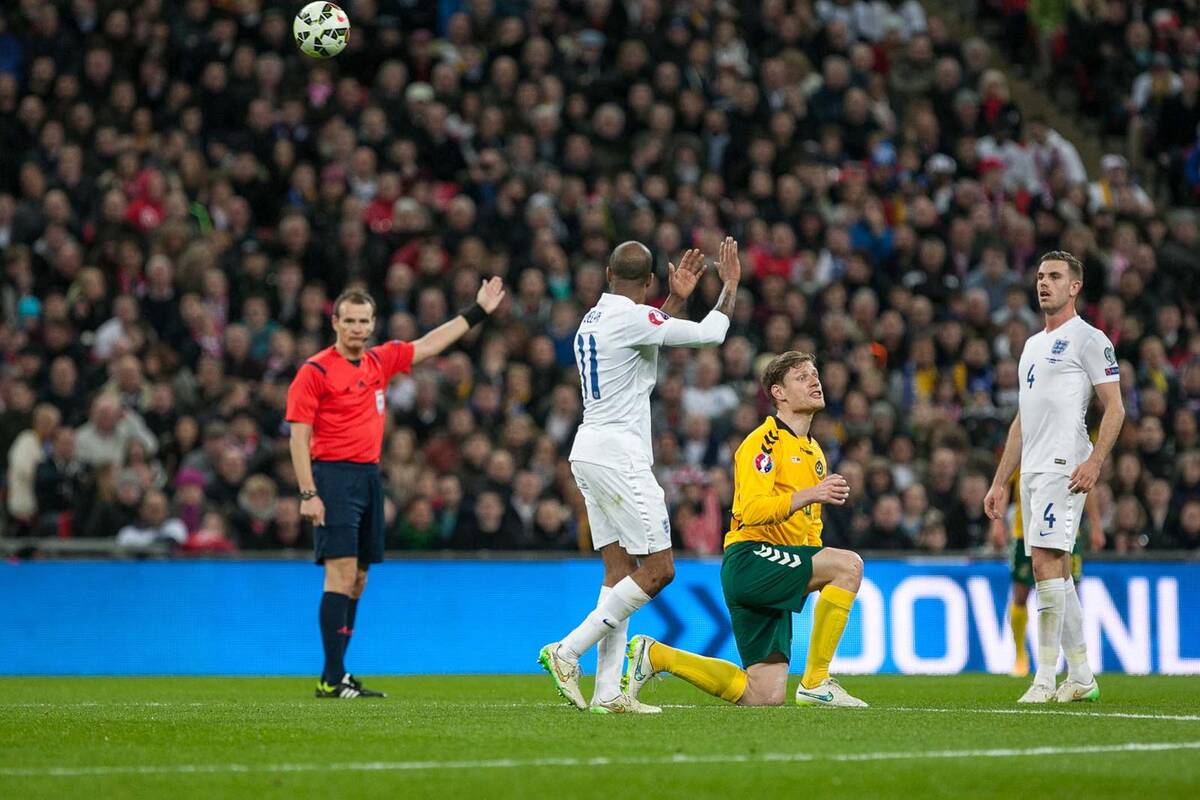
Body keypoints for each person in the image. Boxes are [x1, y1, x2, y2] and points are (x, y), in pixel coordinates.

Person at [538, 237, 740, 714]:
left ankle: (609, 692)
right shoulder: (632, 319)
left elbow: (644, 335)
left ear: (609, 275)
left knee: (618, 573)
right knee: (658, 569)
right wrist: (729, 285)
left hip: (589, 451)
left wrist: (675, 301)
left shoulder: (593, 319)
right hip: (620, 456)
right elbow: (711, 334)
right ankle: (567, 650)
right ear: (648, 280)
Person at [287, 280, 505, 699]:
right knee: (340, 574)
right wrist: (308, 493)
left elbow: (430, 343)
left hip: (370, 476)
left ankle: (337, 674)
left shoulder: (379, 361)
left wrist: (477, 310)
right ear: (335, 323)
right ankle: (331, 678)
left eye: (363, 321)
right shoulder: (314, 371)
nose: (356, 328)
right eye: (349, 321)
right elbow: (298, 437)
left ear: (372, 324)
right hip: (332, 477)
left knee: (358, 579)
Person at [623, 351, 868, 708]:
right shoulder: (762, 442)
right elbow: (751, 511)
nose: (815, 381)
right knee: (849, 565)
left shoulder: (814, 451)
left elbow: (810, 527)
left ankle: (655, 655)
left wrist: (811, 567)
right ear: (779, 393)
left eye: (815, 374)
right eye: (802, 377)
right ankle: (816, 681)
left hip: (779, 564)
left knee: (763, 695)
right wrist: (811, 495)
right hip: (751, 558)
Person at [984, 251, 1125, 704]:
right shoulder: (1031, 346)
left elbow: (1115, 408)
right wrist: (1000, 481)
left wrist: (1095, 461)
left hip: (1064, 465)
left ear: (1075, 287)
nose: (1044, 283)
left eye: (1055, 277)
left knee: (1045, 562)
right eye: (1041, 276)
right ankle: (1081, 675)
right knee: (1056, 570)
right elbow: (1021, 422)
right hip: (1032, 469)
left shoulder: (1089, 339)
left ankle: (1044, 677)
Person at [996, 468, 1103, 677]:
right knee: (1020, 595)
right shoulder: (1025, 452)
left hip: (1066, 532)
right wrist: (998, 523)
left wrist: (1096, 525)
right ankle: (1020, 655)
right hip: (1025, 532)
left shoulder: (1072, 451)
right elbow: (1006, 483)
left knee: (1069, 595)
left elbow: (1087, 486)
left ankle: (1073, 660)